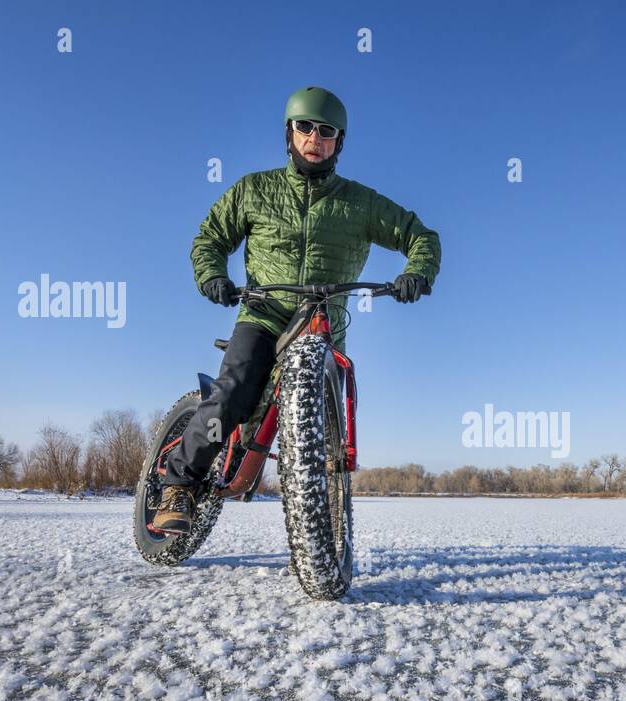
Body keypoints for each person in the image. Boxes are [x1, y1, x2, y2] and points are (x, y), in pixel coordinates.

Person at [154, 86, 441, 534]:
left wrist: (417, 273)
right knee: (235, 390)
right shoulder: (254, 189)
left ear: (338, 142)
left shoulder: (360, 202)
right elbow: (209, 238)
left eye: (326, 131)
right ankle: (179, 486)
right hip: (264, 314)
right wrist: (213, 275)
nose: (314, 137)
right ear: (290, 133)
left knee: (338, 408)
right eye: (304, 127)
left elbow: (421, 237)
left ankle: (323, 518)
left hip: (324, 324)